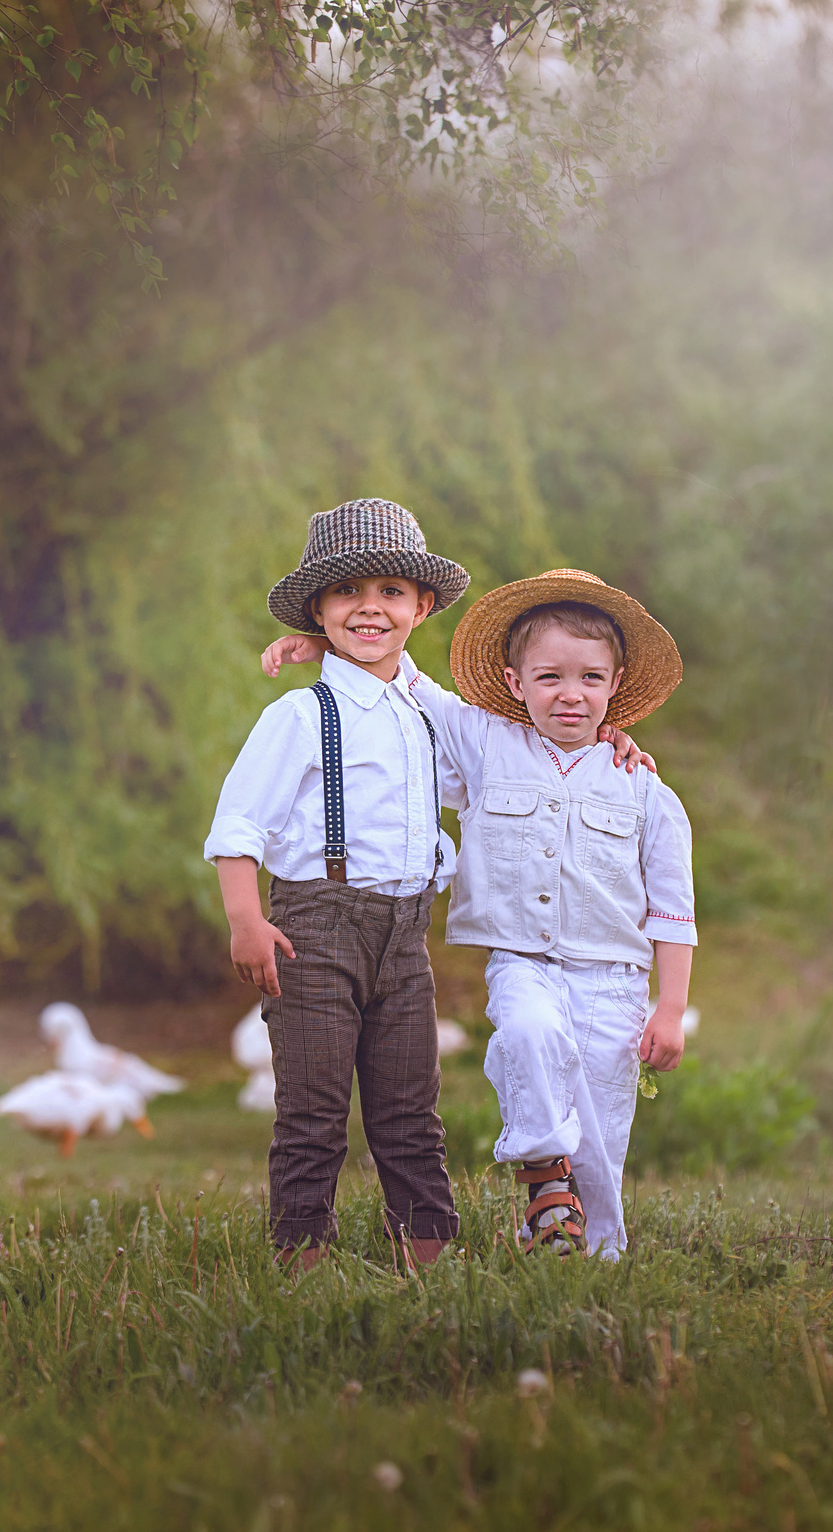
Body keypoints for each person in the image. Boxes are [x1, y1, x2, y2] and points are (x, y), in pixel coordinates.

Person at [211, 501, 650, 1270]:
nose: (370, 607)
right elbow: (238, 826)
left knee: (410, 1107)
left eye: (390, 591)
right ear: (320, 608)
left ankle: (427, 1252)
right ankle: (302, 1255)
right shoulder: (301, 714)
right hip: (314, 928)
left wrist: (602, 730)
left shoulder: (433, 713)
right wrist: (247, 920)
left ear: (422, 606)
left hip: (404, 938)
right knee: (313, 1109)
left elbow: (519, 749)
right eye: (347, 594)